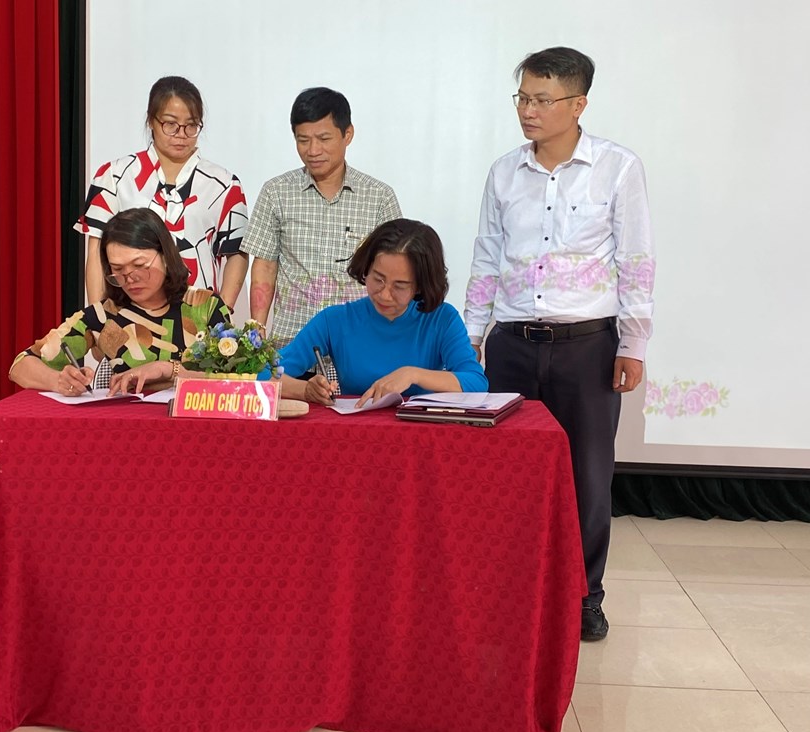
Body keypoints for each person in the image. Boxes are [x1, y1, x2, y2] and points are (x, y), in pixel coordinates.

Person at [464, 47, 655, 642]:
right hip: (512, 344)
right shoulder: (503, 172)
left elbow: (636, 259)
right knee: (504, 477)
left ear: (578, 105)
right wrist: (471, 334)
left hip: (586, 346)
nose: (528, 110)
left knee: (587, 477)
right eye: (522, 97)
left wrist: (633, 342)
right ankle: (509, 595)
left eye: (542, 100)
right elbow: (487, 257)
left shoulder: (618, 168)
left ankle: (584, 597)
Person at [244, 87, 401, 353]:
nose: (313, 150)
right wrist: (257, 327)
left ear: (347, 134)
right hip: (292, 342)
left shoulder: (379, 197)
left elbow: (395, 272)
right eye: (303, 140)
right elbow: (265, 266)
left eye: (323, 138)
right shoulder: (276, 192)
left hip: (359, 344)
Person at [11, 207, 232, 395]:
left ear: (166, 256)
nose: (130, 279)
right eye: (118, 270)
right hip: (129, 425)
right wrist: (58, 380)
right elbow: (20, 365)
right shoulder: (104, 317)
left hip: (196, 423)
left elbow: (237, 377)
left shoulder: (204, 306)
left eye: (139, 266)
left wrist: (167, 369)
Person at [75, 76, 249, 308]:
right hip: (127, 313)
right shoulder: (114, 176)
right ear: (151, 121)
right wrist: (98, 316)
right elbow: (97, 251)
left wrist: (221, 312)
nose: (181, 134)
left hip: (196, 316)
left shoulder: (224, 184)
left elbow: (237, 253)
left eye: (191, 125)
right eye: (170, 124)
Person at [278, 218, 486, 407]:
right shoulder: (334, 320)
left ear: (420, 286)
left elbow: (476, 382)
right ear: (365, 269)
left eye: (400, 286)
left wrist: (412, 375)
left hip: (422, 432)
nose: (385, 295)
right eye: (378, 279)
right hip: (355, 430)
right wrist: (305, 390)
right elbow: (264, 372)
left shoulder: (442, 319)